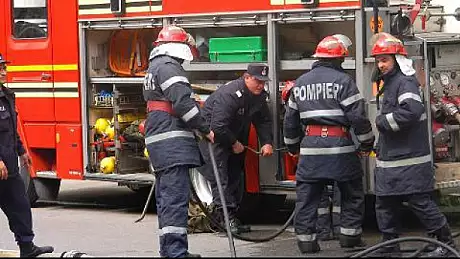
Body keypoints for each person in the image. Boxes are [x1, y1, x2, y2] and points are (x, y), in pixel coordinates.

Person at [283, 35, 375, 254]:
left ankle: (307, 242)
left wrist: (293, 148)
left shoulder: (301, 83)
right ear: (339, 59)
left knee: (307, 198)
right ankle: (349, 239)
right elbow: (358, 118)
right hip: (340, 148)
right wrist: (366, 144)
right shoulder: (344, 82)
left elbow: (290, 121)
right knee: (351, 192)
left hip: (310, 148)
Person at [370, 32, 456, 257]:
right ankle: (389, 247)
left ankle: (444, 244)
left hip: (409, 161)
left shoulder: (404, 82)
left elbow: (411, 111)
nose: (381, 64)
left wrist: (382, 122)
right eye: (378, 60)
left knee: (420, 203)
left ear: (397, 59)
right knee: (385, 204)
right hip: (392, 160)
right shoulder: (390, 84)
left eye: (385, 59)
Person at [142, 25, 214, 258]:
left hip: (160, 139)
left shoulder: (155, 67)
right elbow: (183, 104)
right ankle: (176, 253)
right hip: (172, 142)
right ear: (180, 47)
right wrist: (204, 128)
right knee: (175, 200)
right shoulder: (170, 68)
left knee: (166, 200)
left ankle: (170, 250)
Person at [197, 64, 274, 235]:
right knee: (220, 178)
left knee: (235, 177)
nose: (260, 85)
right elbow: (217, 126)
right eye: (257, 80)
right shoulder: (230, 95)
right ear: (246, 77)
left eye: (263, 82)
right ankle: (226, 219)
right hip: (215, 139)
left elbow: (263, 121)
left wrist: (267, 142)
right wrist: (233, 143)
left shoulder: (258, 96)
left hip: (235, 137)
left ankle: (228, 217)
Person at [0, 53, 54, 257]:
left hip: (9, 167)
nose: (4, 71)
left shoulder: (7, 95)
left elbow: (10, 129)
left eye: (4, 67)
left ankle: (27, 247)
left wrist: (22, 152)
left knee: (20, 206)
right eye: (0, 68)